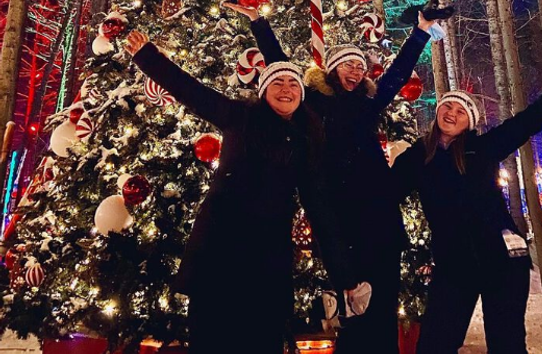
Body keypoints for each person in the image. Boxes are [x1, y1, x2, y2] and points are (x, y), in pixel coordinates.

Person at [223, 0, 453, 354]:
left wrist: (420, 31)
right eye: (347, 64)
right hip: (341, 219)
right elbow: (278, 61)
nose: (355, 71)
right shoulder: (312, 101)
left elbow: (396, 73)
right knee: (354, 310)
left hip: (380, 215)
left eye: (360, 67)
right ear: (331, 70)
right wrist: (258, 21)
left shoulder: (368, 104)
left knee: (383, 307)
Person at [123, 31, 369, 354]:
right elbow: (191, 91)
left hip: (267, 264)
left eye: (294, 84)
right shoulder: (239, 117)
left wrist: (345, 278)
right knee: (212, 341)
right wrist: (147, 56)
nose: (287, 90)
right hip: (219, 255)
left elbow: (321, 212)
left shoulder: (306, 142)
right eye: (278, 84)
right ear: (264, 91)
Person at [392, 59, 542, 354]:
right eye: (447, 108)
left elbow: (529, 119)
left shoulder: (483, 149)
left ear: (470, 122)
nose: (452, 114)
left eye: (461, 111)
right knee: (435, 345)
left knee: (507, 345)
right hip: (454, 264)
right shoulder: (416, 158)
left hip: (502, 260)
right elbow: (384, 195)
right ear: (438, 111)